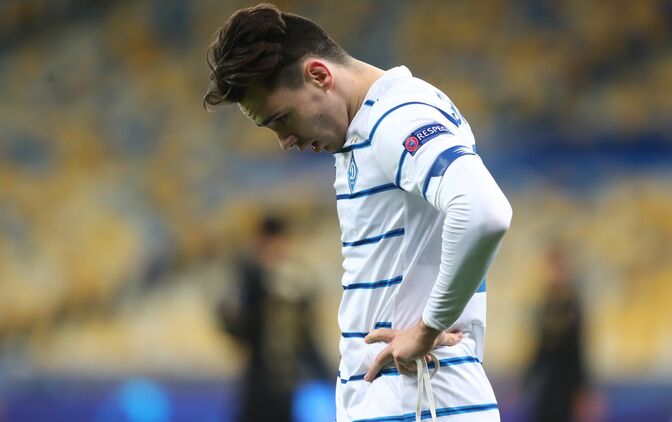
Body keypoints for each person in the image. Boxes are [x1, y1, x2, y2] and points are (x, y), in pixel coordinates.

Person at [204, 4, 513, 421]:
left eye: (282, 119)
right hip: (403, 401)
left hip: (421, 400)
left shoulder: (398, 116)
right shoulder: (364, 127)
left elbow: (484, 210)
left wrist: (428, 327)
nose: (285, 141)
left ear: (319, 75)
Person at [218, 216, 328, 422]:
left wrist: (323, 374)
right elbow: (235, 327)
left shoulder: (297, 282)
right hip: (257, 379)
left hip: (289, 382)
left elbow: (307, 337)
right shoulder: (250, 277)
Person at [522, 246, 590, 422]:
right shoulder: (545, 304)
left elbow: (578, 350)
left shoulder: (572, 305)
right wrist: (526, 380)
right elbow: (540, 349)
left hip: (565, 384)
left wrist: (583, 390)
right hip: (545, 384)